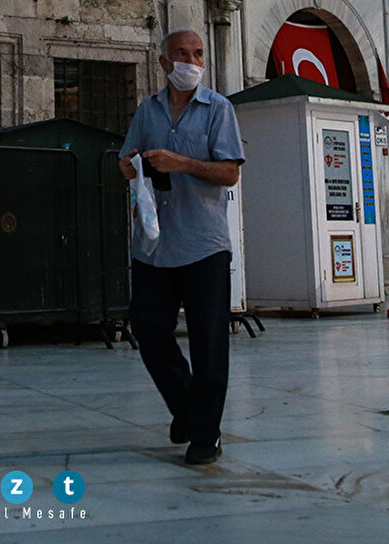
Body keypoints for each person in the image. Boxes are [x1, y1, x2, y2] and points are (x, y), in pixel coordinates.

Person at [119, 29, 244, 466]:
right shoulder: (147, 111)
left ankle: (205, 435)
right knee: (148, 329)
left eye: (198, 54)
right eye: (182, 54)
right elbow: (126, 159)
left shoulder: (219, 109)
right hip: (154, 244)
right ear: (164, 62)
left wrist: (182, 164)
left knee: (209, 341)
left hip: (203, 243)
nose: (191, 61)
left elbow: (229, 172)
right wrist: (130, 167)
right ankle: (187, 407)